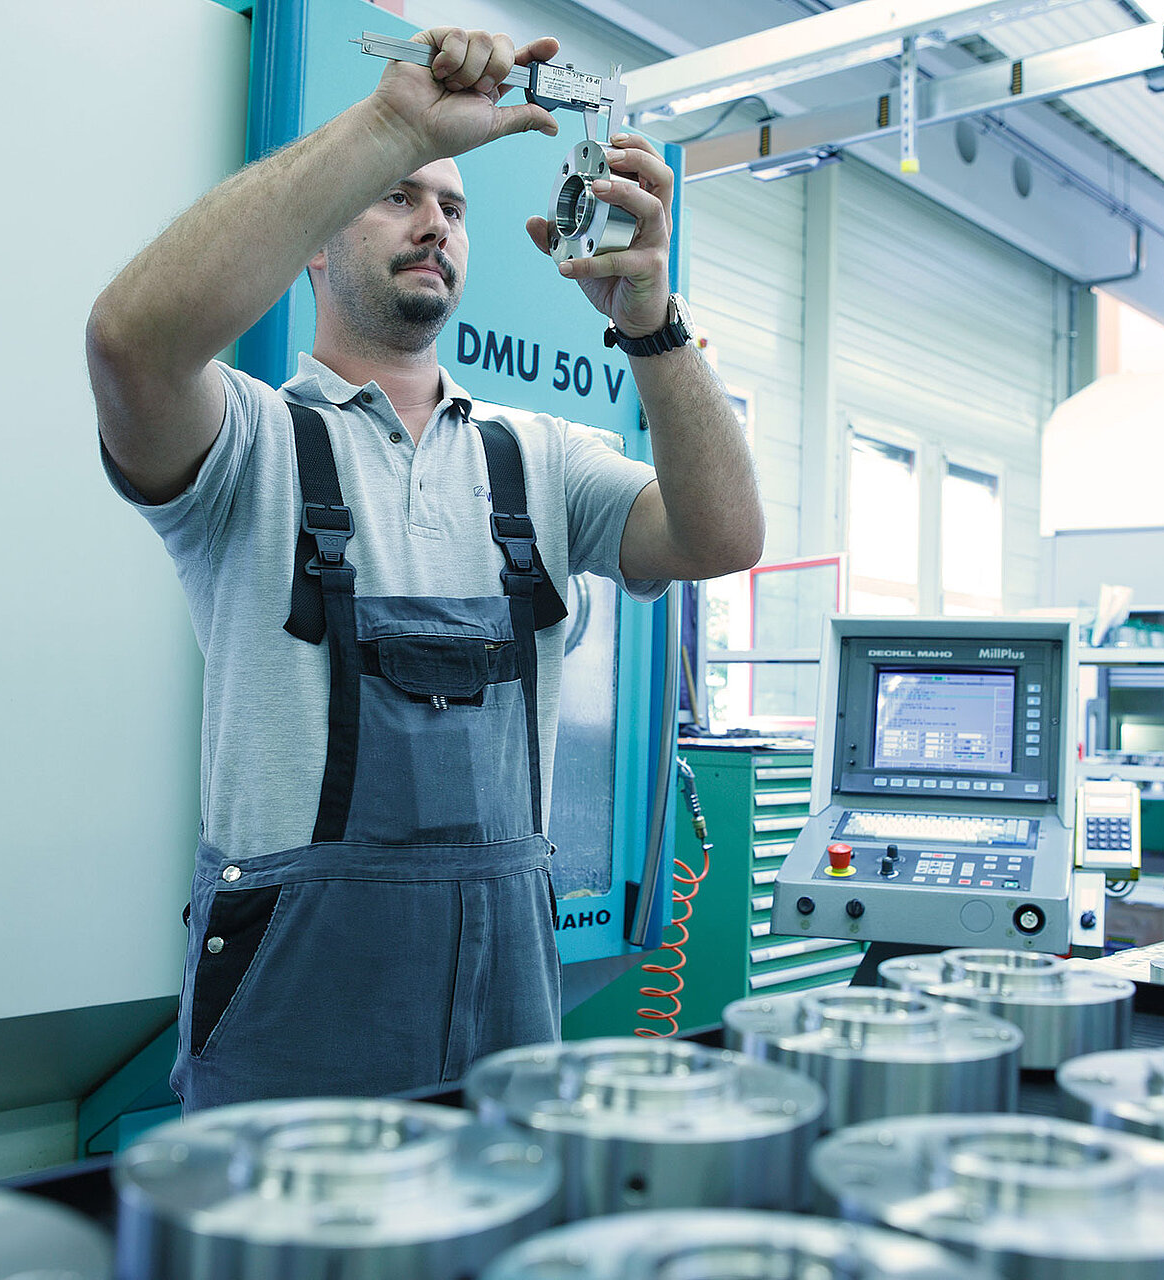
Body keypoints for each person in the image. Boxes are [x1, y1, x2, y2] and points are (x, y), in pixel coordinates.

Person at [85, 26, 764, 1110]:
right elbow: (129, 340)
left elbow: (722, 535)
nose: (433, 222)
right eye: (395, 196)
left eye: (452, 207)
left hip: (505, 999)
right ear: (312, 239)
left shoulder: (536, 458)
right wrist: (392, 125)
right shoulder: (249, 448)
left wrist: (653, 321)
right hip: (294, 1012)